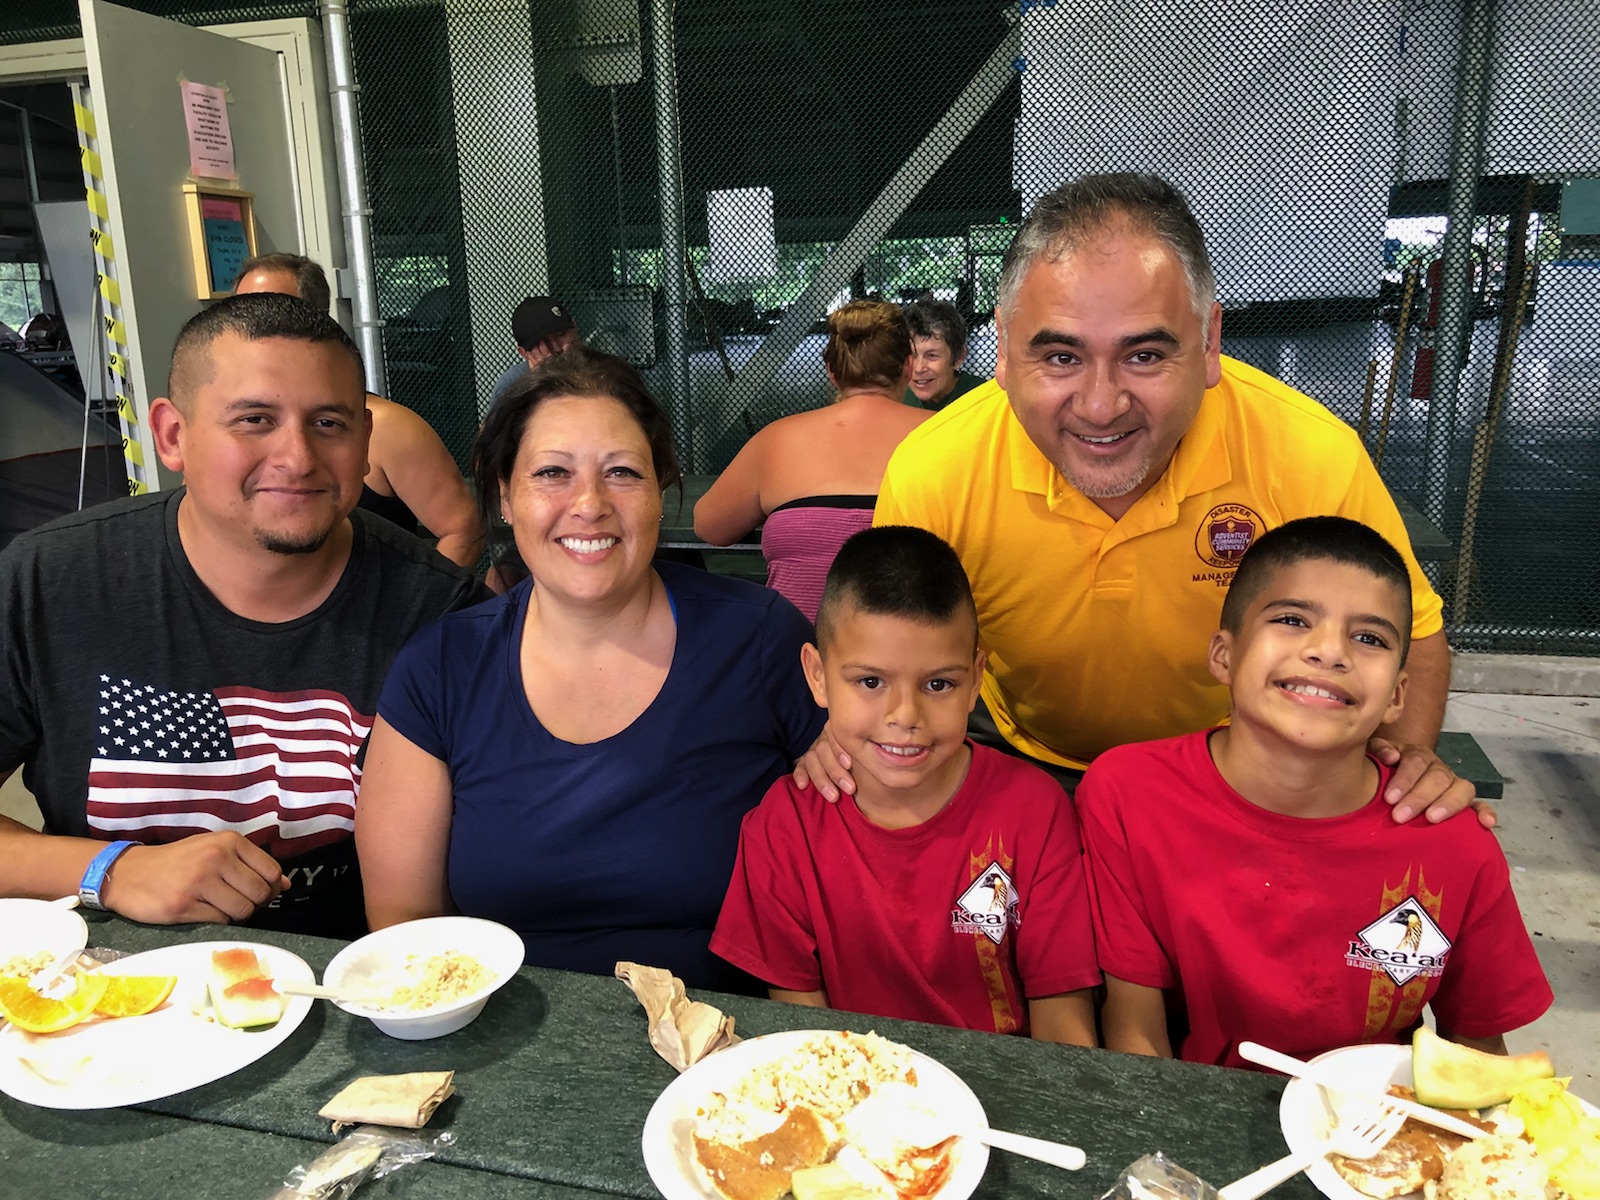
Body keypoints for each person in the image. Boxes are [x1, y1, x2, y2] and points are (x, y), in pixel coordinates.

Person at [800, 172, 1478, 824]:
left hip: (1232, 770)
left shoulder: (1307, 453)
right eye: (1061, 357)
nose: (1101, 405)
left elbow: (1415, 637)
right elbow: (888, 655)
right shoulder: (936, 468)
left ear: (1209, 342)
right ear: (1002, 350)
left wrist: (1407, 761)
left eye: (1145, 356)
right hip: (1017, 757)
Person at [0, 294, 486, 937]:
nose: (298, 458)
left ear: (367, 443)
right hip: (113, 996)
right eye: (255, 419)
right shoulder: (49, 581)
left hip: (363, 989)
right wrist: (112, 870)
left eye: (330, 423)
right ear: (173, 435)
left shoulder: (440, 609)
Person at [354, 346, 824, 991]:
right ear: (505, 497)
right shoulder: (440, 669)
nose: (590, 503)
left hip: (732, 1055)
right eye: (552, 472)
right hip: (509, 1042)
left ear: (661, 494)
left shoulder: (761, 639)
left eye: (624, 473)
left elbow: (868, 841)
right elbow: (404, 925)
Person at [1077, 517, 1552, 1068]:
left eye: (1369, 638)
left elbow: (1478, 1055)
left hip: (1373, 1131)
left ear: (1398, 696)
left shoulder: (1456, 845)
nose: (1329, 652)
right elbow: (1134, 1025)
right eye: (1292, 619)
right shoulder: (1129, 794)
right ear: (1224, 656)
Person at [711, 527, 1099, 1042]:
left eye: (939, 684)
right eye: (870, 682)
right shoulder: (784, 828)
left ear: (977, 678)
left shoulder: (1034, 810)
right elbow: (803, 1031)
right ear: (817, 676)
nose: (905, 716)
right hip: (849, 1098)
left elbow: (1064, 1023)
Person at [233, 253, 484, 569]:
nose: (253, 330)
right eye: (242, 314)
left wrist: (410, 614)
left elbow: (464, 529)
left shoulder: (387, 428)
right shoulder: (223, 431)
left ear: (317, 320)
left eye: (273, 314)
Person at [694, 301, 929, 622]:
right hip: (913, 659)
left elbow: (710, 526)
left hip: (795, 655)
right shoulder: (950, 435)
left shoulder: (778, 439)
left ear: (832, 371)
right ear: (908, 366)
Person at [488, 295, 580, 410]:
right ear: (524, 353)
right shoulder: (513, 383)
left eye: (561, 335)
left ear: (575, 328)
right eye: (543, 343)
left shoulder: (600, 369)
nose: (556, 348)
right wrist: (540, 382)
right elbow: (491, 427)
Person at [903, 296, 984, 410]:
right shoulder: (896, 397)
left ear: (959, 357)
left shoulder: (982, 398)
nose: (919, 368)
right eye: (911, 355)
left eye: (932, 356)